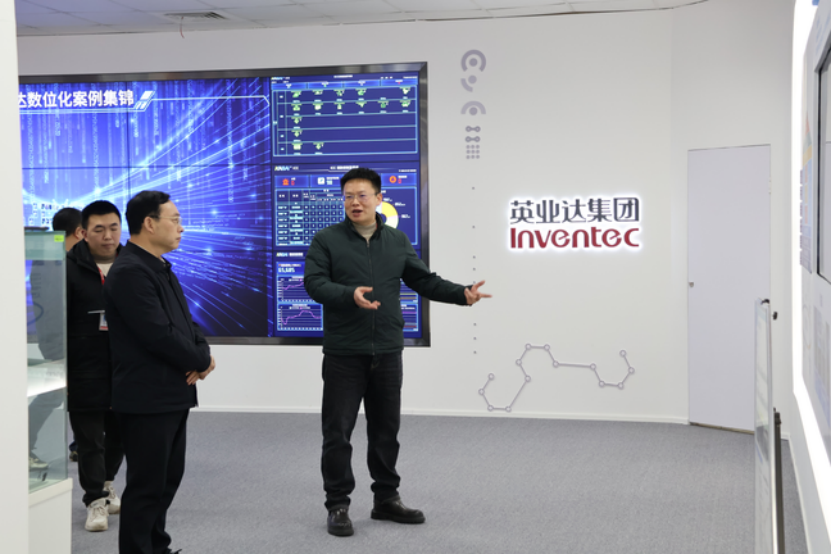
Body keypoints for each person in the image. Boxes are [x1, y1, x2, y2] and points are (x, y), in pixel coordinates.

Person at [304, 167, 491, 537]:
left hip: (388, 351)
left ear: (379, 198)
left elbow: (424, 280)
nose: (355, 202)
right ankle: (338, 504)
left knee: (386, 430)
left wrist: (461, 294)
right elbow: (314, 283)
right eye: (348, 196)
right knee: (338, 433)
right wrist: (349, 294)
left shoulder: (397, 240)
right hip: (344, 353)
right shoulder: (326, 239)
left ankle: (386, 499)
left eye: (362, 195)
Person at [104, 190, 215, 554]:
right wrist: (200, 361)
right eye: (175, 220)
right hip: (146, 396)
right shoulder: (130, 272)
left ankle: (157, 547)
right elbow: (158, 334)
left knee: (166, 480)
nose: (181, 228)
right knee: (147, 486)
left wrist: (202, 354)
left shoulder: (158, 266)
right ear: (149, 224)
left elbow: (186, 323)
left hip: (171, 392)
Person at [65, 201, 126, 532]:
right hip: (83, 368)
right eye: (99, 229)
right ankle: (94, 501)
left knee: (119, 436)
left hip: (126, 368)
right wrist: (60, 368)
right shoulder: (67, 268)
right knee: (89, 440)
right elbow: (53, 324)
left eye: (114, 228)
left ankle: (107, 482)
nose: (108, 236)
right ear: (83, 233)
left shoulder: (133, 265)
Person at [28, 208, 83, 471]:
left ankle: (80, 444)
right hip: (59, 340)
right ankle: (22, 447)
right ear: (79, 232)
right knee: (52, 395)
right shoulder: (55, 262)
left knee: (74, 393)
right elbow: (53, 307)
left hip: (57, 338)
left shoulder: (51, 257)